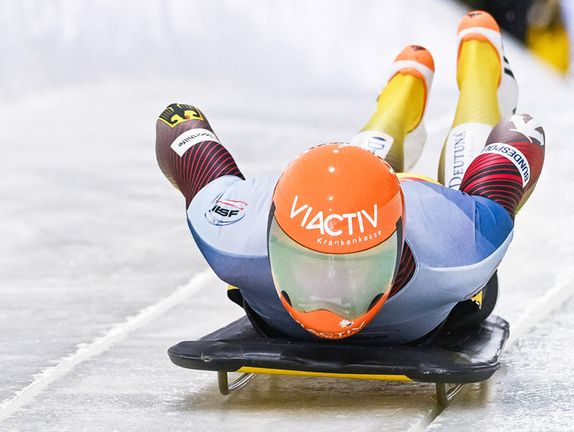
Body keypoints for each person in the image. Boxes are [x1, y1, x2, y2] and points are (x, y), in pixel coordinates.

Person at [155, 10, 544, 344]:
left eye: (355, 270)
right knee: (360, 166)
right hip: (388, 217)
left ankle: (480, 70)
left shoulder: (455, 246)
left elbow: (182, 133)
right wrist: (520, 136)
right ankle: (403, 90)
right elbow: (181, 129)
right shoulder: (234, 233)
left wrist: (516, 134)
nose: (330, 297)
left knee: (469, 184)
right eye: (307, 264)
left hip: (428, 206)